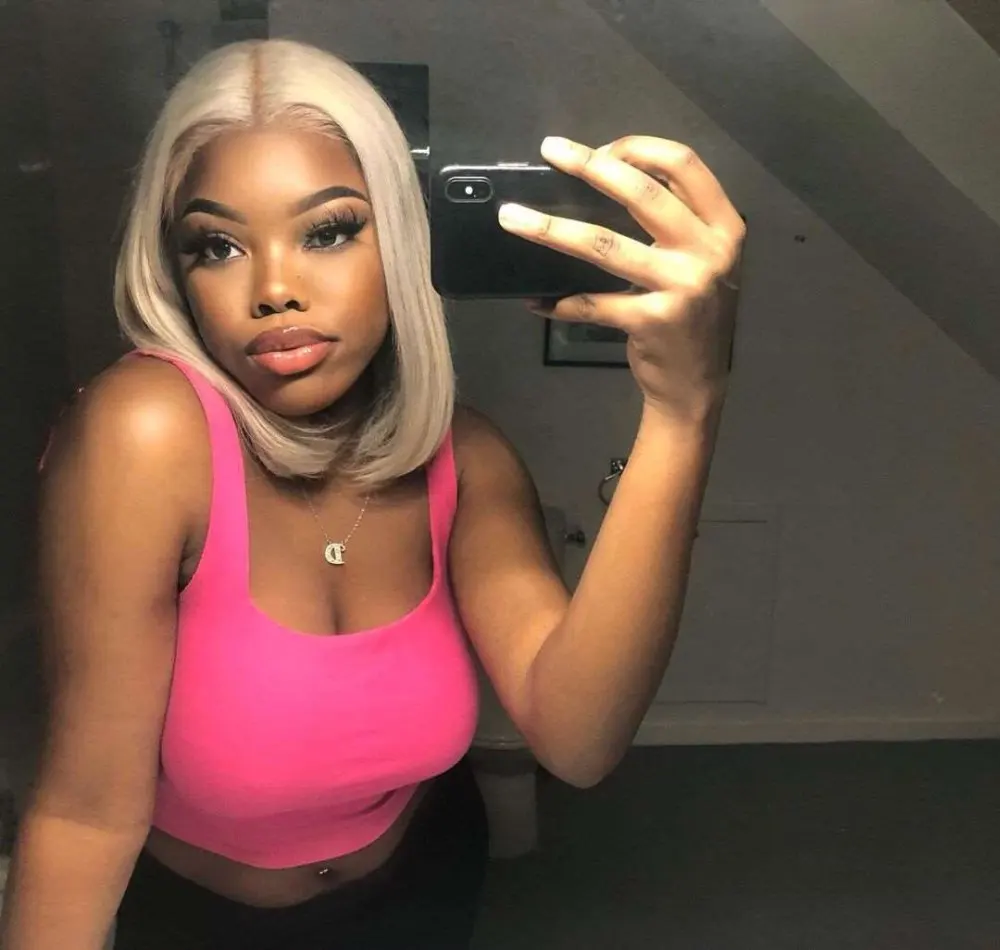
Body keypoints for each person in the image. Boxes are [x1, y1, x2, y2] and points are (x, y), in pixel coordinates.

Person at [0, 37, 743, 950]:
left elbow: (578, 740)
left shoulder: (467, 458)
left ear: (400, 238)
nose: (275, 289)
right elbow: (83, 817)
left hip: (424, 886)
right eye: (217, 245)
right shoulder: (146, 433)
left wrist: (681, 413)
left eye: (328, 230)